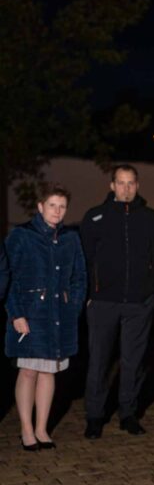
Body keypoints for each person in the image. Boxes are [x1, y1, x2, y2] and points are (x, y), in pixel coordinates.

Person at [80, 164, 154, 438]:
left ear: (137, 185)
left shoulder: (151, 218)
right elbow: (84, 260)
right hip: (103, 303)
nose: (126, 188)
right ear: (112, 185)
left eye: (131, 183)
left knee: (133, 362)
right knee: (99, 362)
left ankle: (128, 414)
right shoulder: (96, 217)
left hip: (139, 304)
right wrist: (89, 296)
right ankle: (94, 416)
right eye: (121, 183)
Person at [4, 185, 87, 451]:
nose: (57, 211)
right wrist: (16, 313)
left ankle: (42, 428)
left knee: (49, 372)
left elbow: (79, 277)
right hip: (31, 314)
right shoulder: (21, 236)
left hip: (58, 316)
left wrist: (72, 307)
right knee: (28, 371)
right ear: (40, 207)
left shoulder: (70, 238)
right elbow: (8, 276)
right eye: (52, 205)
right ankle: (26, 430)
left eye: (62, 207)